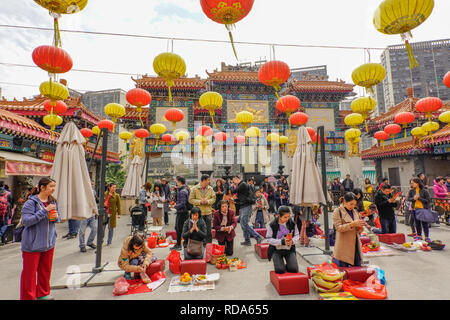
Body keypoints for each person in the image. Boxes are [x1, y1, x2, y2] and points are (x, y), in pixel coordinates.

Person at [20, 178, 59, 300]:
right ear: (42, 187)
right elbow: (26, 221)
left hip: (49, 243)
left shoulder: (52, 201)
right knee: (29, 274)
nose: (53, 189)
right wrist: (44, 211)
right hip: (32, 244)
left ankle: (43, 293)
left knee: (45, 271)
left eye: (54, 186)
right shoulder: (31, 203)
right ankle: (28, 297)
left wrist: (56, 217)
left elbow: (54, 219)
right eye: (51, 186)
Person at [332, 193, 364, 268]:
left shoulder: (355, 211)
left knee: (357, 268)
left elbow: (357, 227)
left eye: (354, 204)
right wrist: (351, 224)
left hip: (355, 243)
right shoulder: (337, 211)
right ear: (345, 201)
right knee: (344, 270)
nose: (352, 206)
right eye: (351, 204)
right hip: (344, 246)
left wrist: (360, 228)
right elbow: (338, 228)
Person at [232, 175, 264, 246]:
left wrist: (233, 185)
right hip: (244, 206)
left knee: (244, 223)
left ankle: (258, 237)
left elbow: (233, 191)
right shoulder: (242, 185)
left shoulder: (242, 184)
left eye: (233, 180)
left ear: (237, 179)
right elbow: (242, 198)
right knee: (243, 224)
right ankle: (247, 240)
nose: (233, 181)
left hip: (247, 206)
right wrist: (234, 200)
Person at [266, 206, 300, 274]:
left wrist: (292, 241)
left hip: (289, 250)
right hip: (277, 250)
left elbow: (297, 235)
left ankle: (289, 265)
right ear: (279, 215)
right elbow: (268, 239)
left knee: (294, 269)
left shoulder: (292, 223)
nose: (287, 219)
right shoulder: (272, 224)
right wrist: (281, 242)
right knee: (280, 270)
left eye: (288, 216)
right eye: (285, 217)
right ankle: (280, 265)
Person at [189, 175, 216, 245]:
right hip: (199, 213)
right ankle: (199, 246)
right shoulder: (194, 189)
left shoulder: (210, 189)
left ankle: (209, 245)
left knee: (208, 231)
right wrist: (200, 202)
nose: (209, 181)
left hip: (208, 213)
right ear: (203, 180)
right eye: (208, 180)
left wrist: (207, 201)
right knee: (199, 230)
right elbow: (190, 200)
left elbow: (214, 199)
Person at [78, 181, 98, 253]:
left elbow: (95, 201)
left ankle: (89, 242)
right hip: (84, 214)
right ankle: (82, 245)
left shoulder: (94, 192)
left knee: (95, 228)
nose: (92, 185)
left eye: (93, 184)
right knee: (82, 231)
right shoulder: (83, 192)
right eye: (91, 184)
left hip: (92, 214)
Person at [172, 176, 190, 251]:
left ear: (179, 182)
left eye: (177, 181)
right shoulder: (183, 190)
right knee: (181, 228)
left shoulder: (182, 191)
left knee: (179, 228)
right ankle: (182, 243)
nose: (176, 183)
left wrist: (175, 206)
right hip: (183, 212)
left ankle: (179, 244)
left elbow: (182, 203)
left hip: (182, 212)